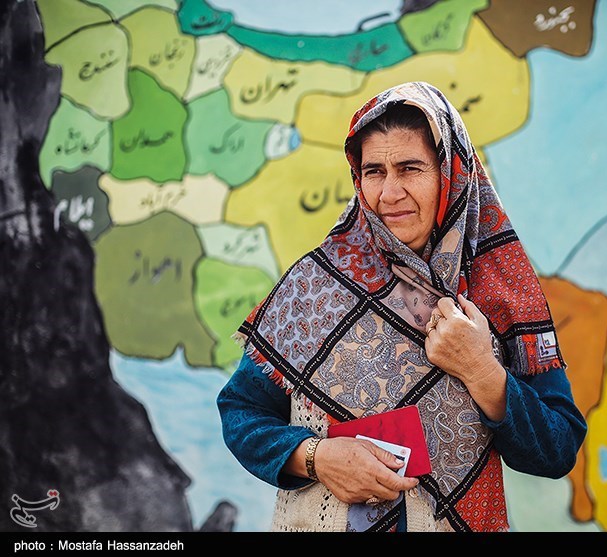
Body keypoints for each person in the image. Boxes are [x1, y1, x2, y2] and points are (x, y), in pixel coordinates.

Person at [217, 81, 587, 532]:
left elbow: (557, 448)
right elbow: (240, 410)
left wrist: (482, 370)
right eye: (374, 171)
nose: (388, 193)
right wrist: (314, 458)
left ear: (450, 174)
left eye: (410, 168)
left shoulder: (501, 292)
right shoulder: (314, 287)